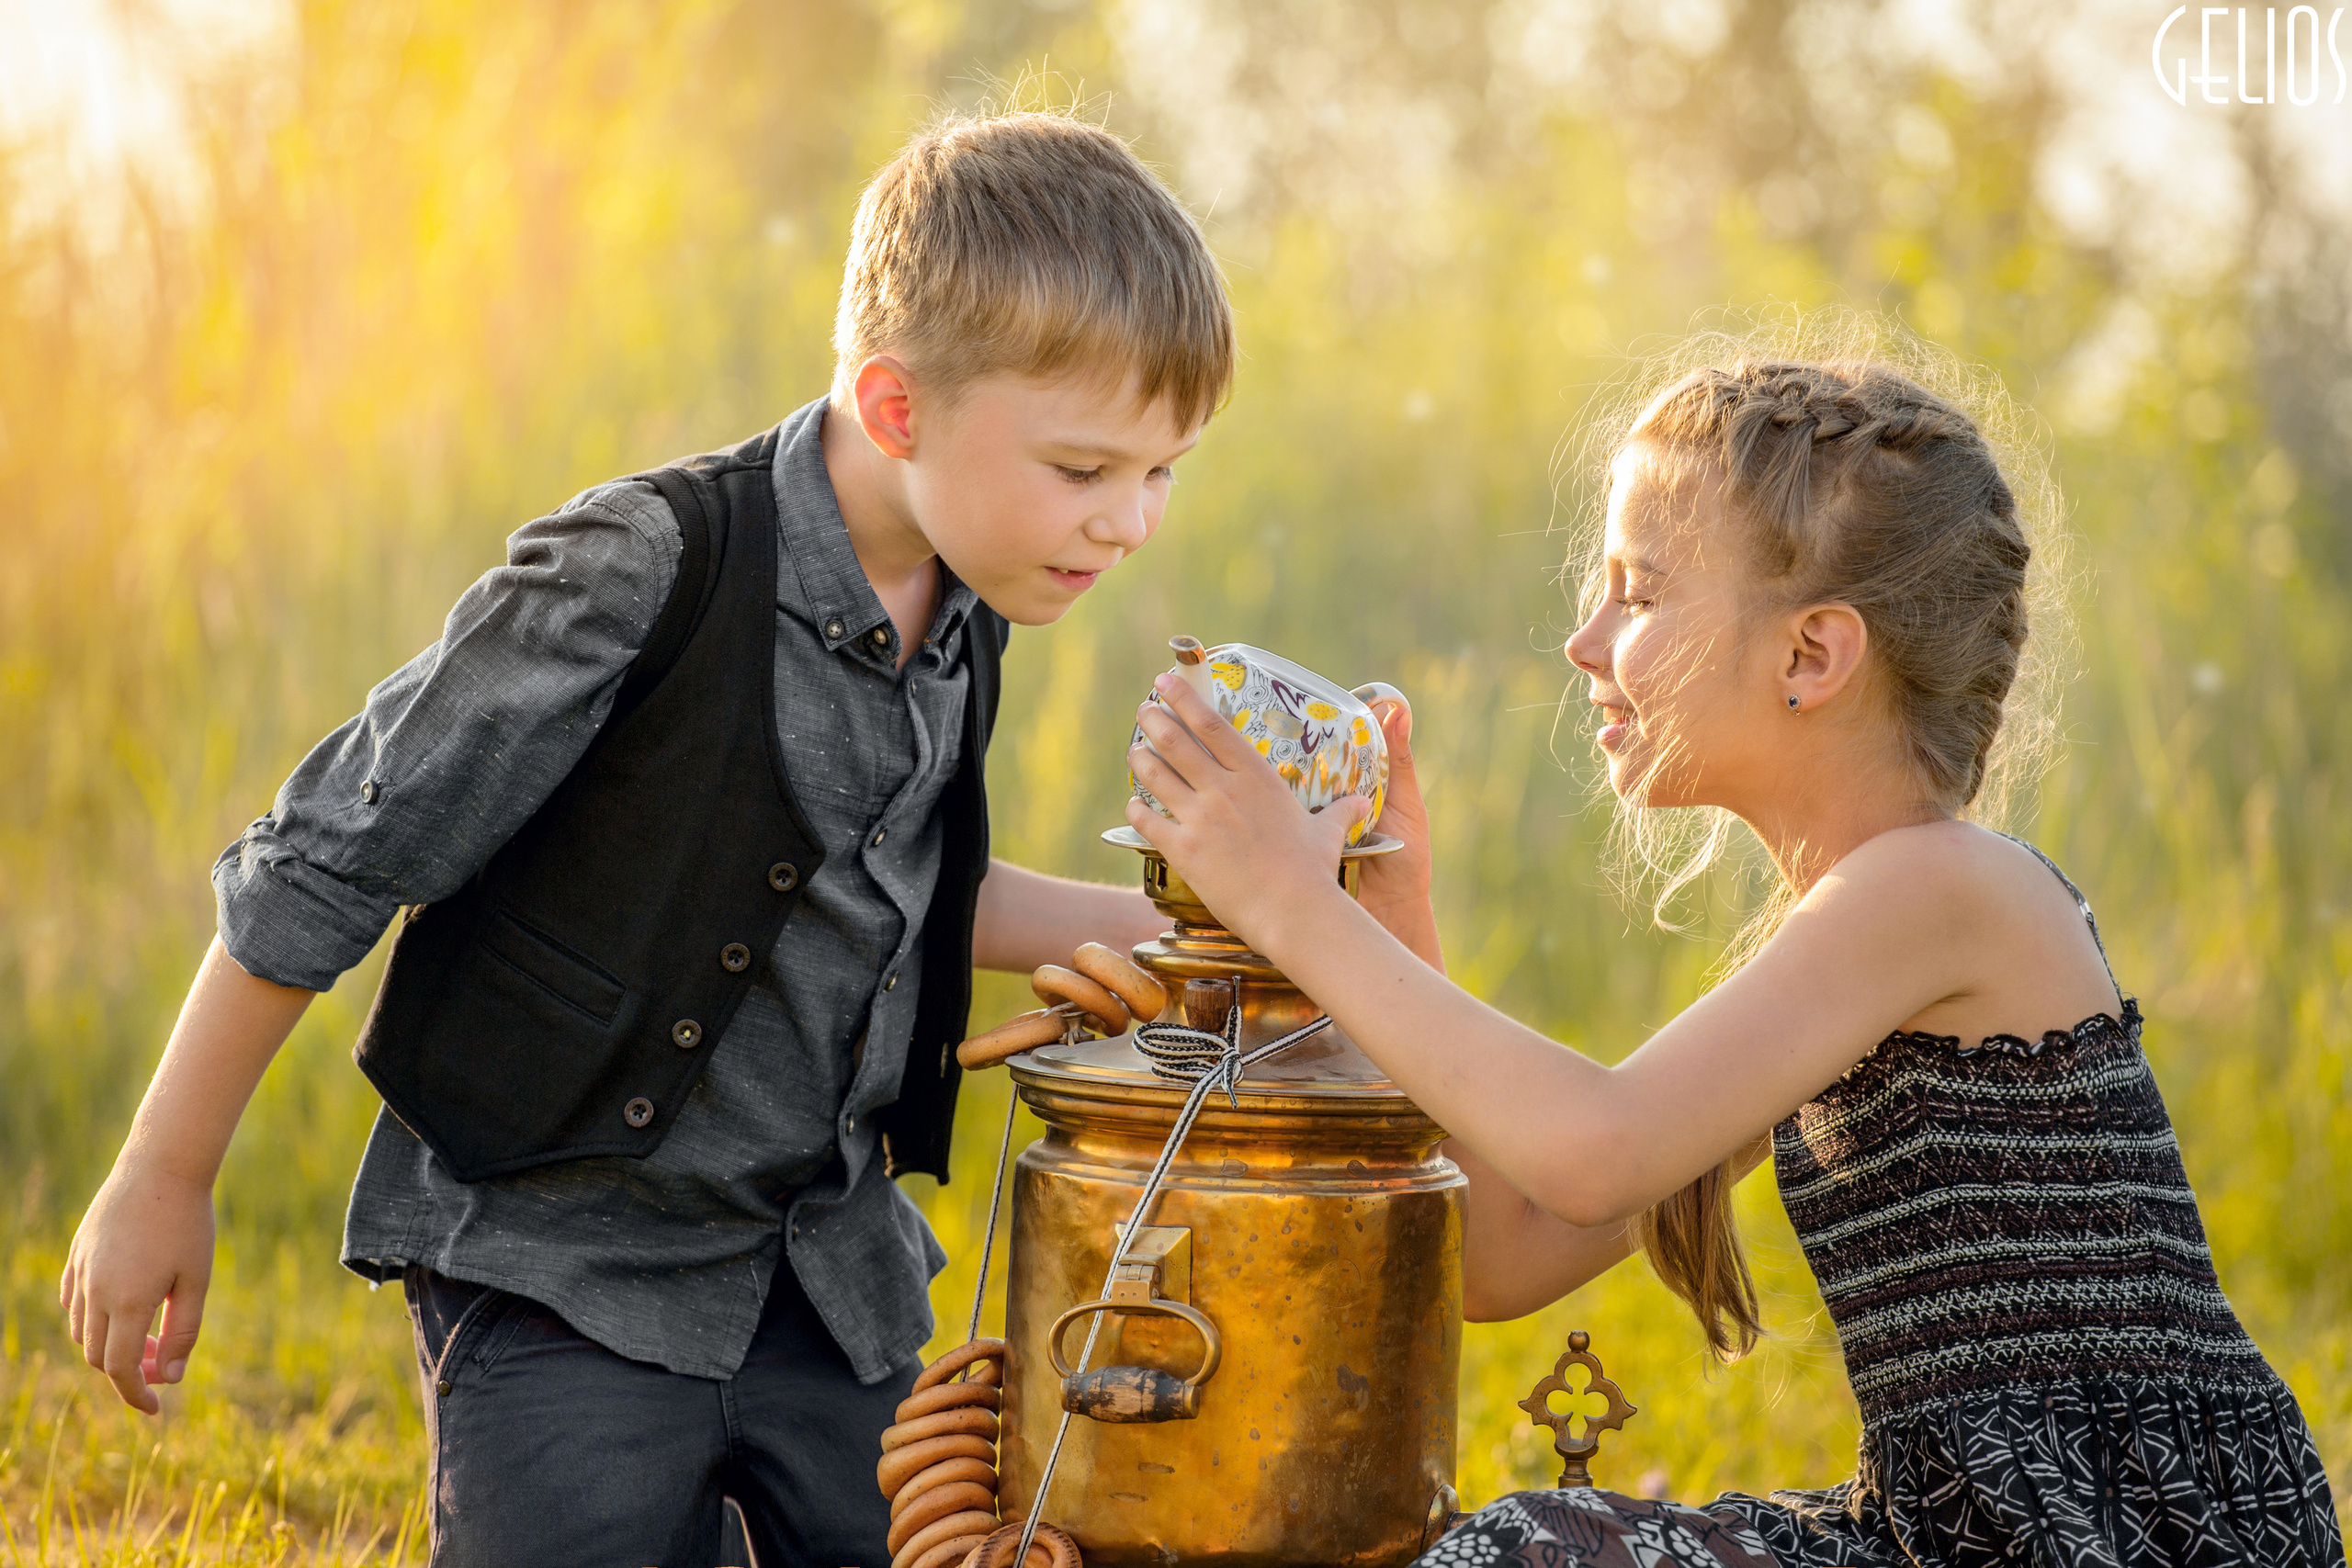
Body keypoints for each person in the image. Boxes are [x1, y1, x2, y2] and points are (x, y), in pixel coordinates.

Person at [61, 107, 1230, 1568]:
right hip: (567, 1258)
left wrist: (1206, 928)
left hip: (819, 1271)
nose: (1129, 522)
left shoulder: (970, 589)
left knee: (921, 1541)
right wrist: (163, 1172)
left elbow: (898, 877)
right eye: (1084, 470)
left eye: (1161, 472)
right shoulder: (645, 569)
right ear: (897, 406)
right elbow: (335, 853)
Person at [1125, 344, 2344, 1568]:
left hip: (2119, 1540)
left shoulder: (1941, 890)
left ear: (1812, 656)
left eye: (1639, 594)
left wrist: (1293, 905)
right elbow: (1502, 1252)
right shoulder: (1862, 929)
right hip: (1969, 1537)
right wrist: (1397, 919)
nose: (1583, 640)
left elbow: (1594, 1152)